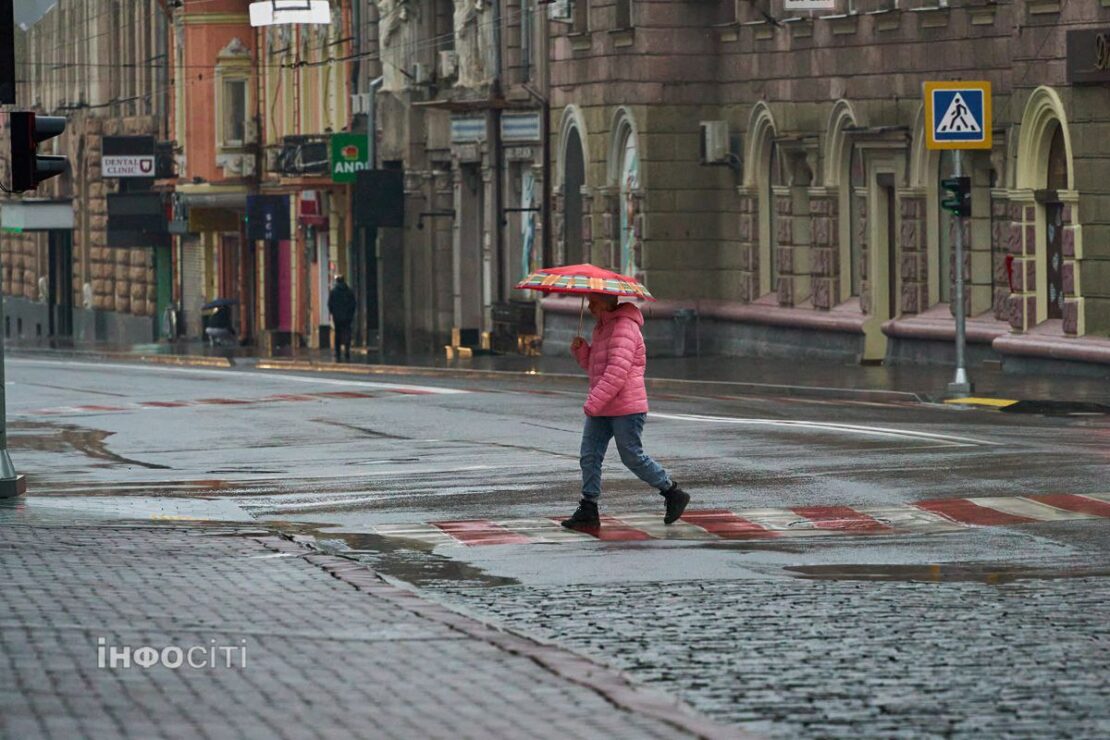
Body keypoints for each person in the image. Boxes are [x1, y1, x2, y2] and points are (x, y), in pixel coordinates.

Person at [562, 292, 690, 530]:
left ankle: (672, 492)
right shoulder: (601, 327)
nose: (589, 306)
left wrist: (593, 402)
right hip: (604, 405)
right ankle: (588, 507)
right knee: (589, 455)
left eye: (594, 302)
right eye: (589, 301)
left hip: (625, 406)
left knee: (631, 455)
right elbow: (596, 368)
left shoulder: (624, 327)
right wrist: (582, 351)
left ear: (607, 303)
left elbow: (616, 373)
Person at [327, 275, 357, 363]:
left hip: (337, 317)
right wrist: (351, 314)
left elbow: (330, 304)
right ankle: (347, 351)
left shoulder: (333, 292)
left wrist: (333, 313)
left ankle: (338, 351)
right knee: (347, 332)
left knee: (338, 334)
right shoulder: (349, 291)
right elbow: (353, 304)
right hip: (347, 317)